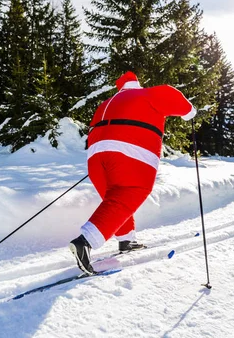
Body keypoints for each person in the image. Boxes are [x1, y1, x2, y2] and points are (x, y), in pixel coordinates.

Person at [69, 71, 196, 274]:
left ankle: (126, 239)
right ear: (136, 84)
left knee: (116, 199)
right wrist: (189, 111)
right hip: (130, 151)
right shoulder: (144, 94)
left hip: (95, 157)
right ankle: (85, 242)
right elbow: (168, 94)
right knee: (130, 192)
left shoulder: (107, 103)